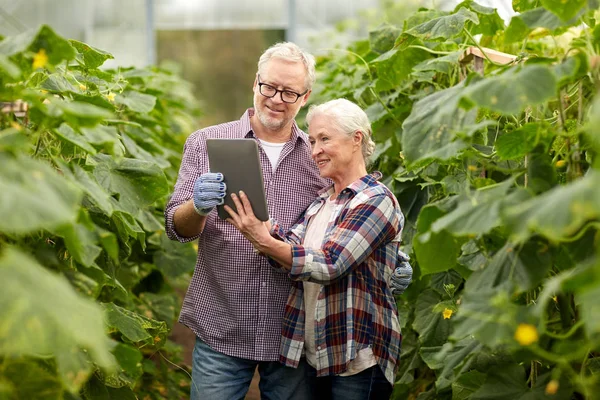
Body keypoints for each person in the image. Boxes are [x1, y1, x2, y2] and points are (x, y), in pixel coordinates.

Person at [165, 42, 327, 400]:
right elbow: (176, 228)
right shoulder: (206, 142)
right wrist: (198, 205)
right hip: (222, 320)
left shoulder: (318, 157)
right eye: (270, 86)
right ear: (255, 83)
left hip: (292, 329)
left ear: (305, 96)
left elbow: (342, 219)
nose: (276, 98)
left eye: (289, 92)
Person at [225, 98, 406, 400]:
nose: (315, 150)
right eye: (311, 141)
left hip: (357, 359)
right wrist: (266, 227)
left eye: (324, 139)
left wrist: (265, 242)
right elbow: (290, 251)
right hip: (318, 354)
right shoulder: (321, 202)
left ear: (356, 139)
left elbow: (330, 264)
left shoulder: (375, 200)